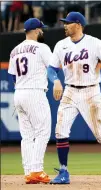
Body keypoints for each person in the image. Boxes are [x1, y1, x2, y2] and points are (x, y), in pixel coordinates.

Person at [47, 12, 101, 184]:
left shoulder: (94, 43)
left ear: (78, 24)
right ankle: (64, 171)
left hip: (90, 91)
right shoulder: (60, 45)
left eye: (68, 23)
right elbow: (51, 69)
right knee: (60, 131)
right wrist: (55, 80)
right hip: (70, 92)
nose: (64, 25)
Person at [7, 18, 51, 184]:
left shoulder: (14, 50)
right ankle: (37, 170)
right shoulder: (42, 47)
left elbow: (12, 75)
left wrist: (22, 87)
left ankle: (28, 171)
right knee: (42, 132)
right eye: (41, 29)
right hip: (35, 92)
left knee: (26, 136)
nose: (42, 32)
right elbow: (53, 67)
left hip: (19, 93)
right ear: (35, 31)